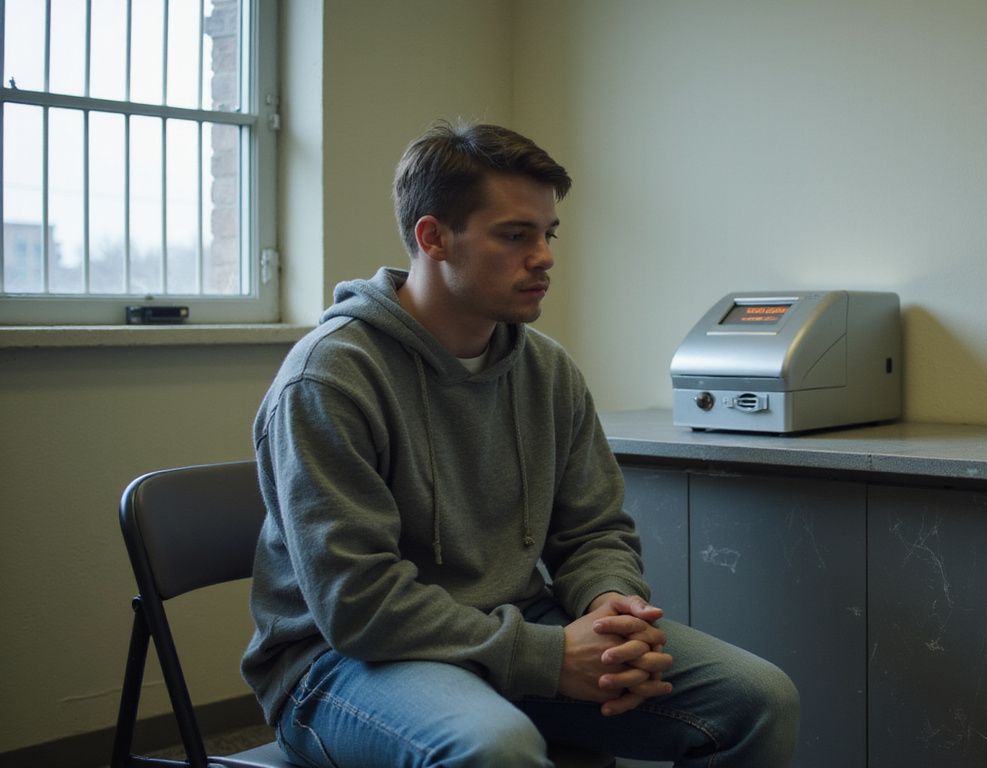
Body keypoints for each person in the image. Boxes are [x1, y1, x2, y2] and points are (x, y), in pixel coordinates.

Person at [242, 121, 799, 767]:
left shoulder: (547, 369)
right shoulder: (330, 377)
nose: (545, 256)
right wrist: (552, 657)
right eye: (515, 235)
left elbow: (593, 530)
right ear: (433, 237)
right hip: (343, 663)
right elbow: (358, 605)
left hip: (517, 626)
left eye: (547, 233)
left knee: (759, 699)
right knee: (493, 750)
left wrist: (610, 605)